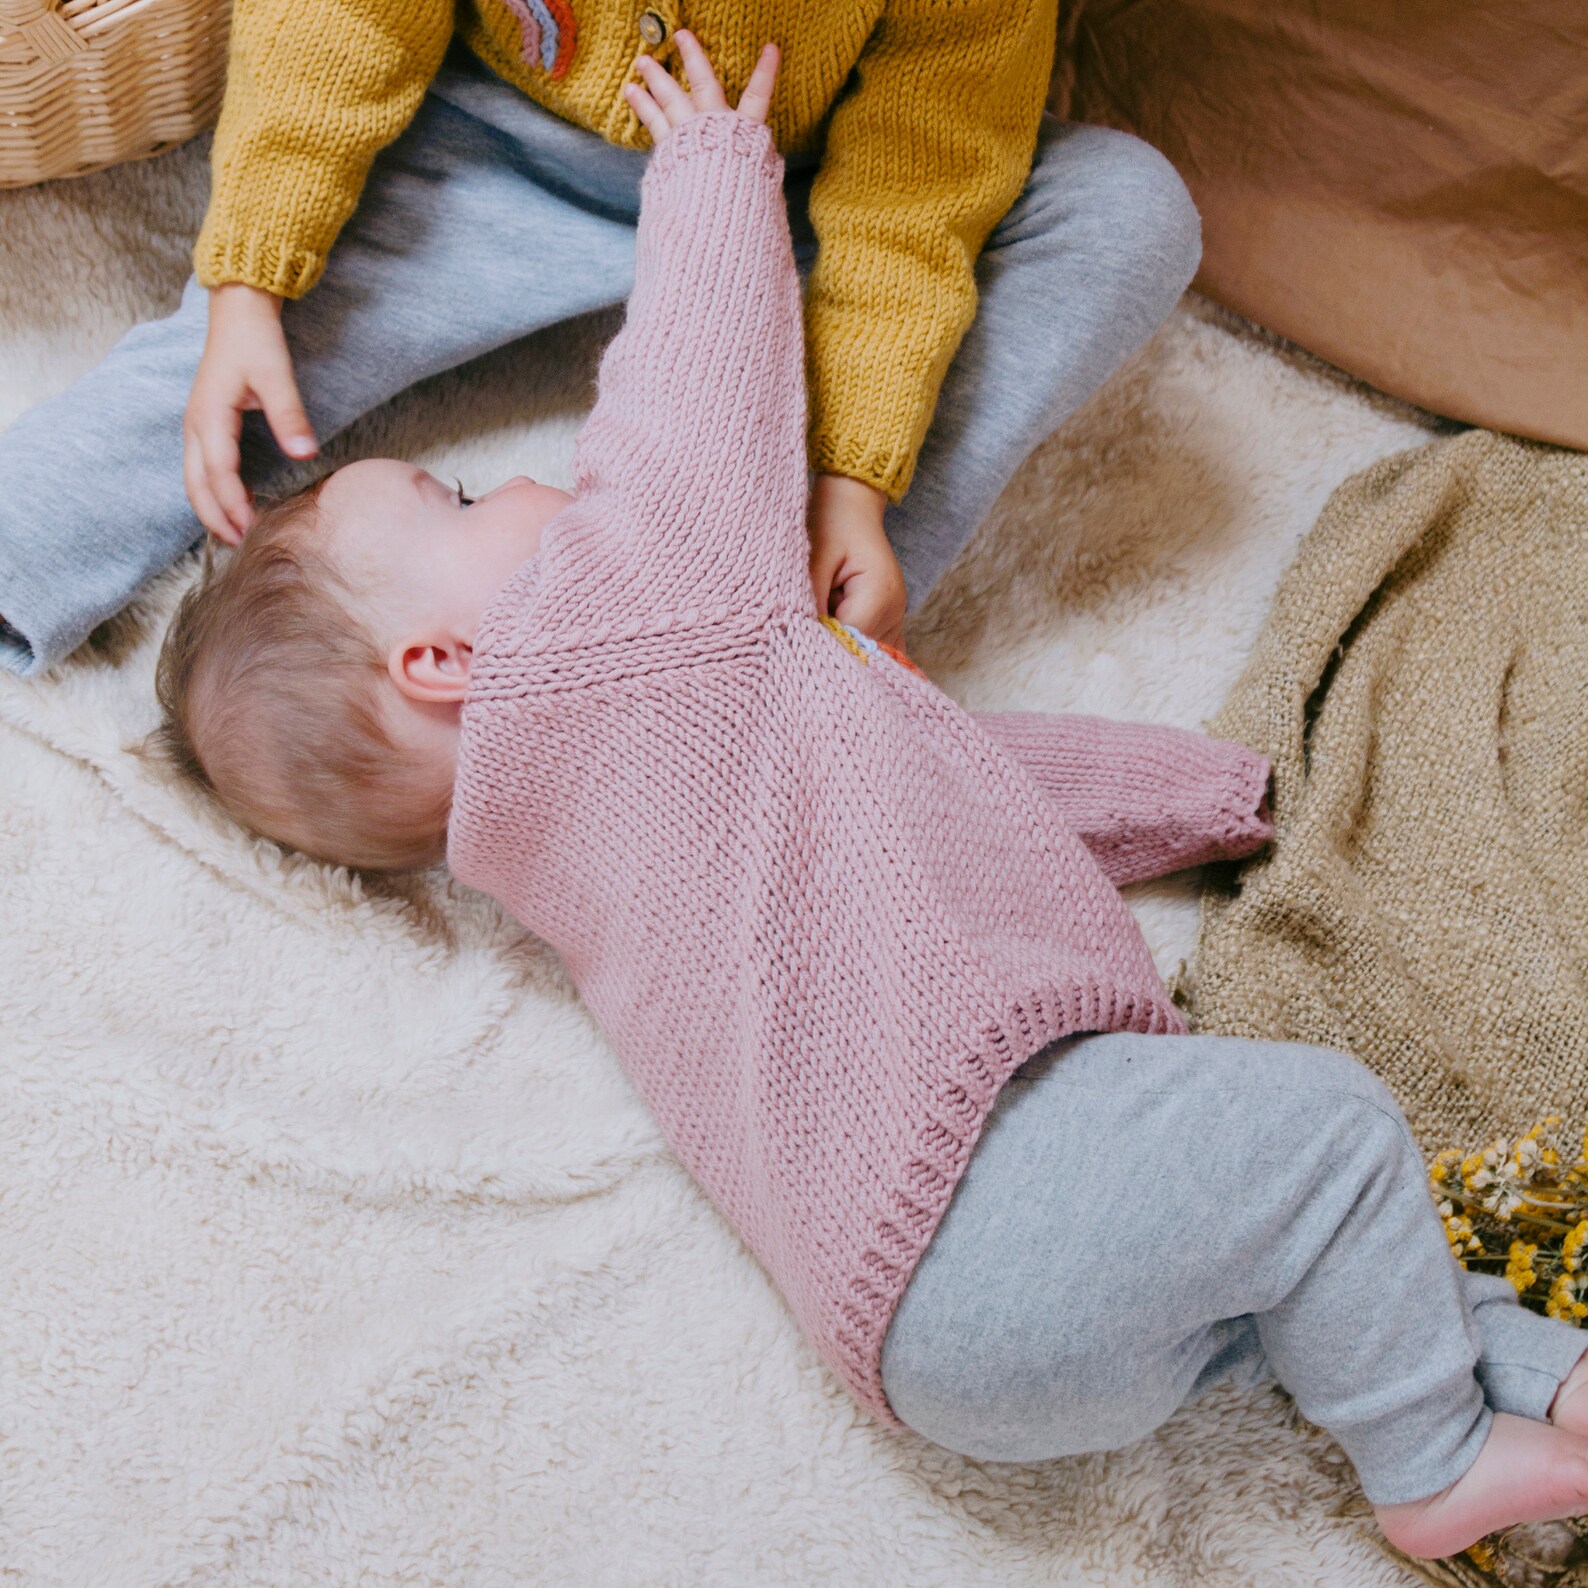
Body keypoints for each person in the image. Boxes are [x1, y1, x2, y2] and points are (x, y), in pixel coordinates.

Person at [151, 40, 1588, 1562]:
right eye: (446, 503)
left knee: (1295, 1258)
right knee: (1329, 1137)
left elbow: (958, 786)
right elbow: (692, 400)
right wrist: (713, 163)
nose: (501, 485)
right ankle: (1426, 1462)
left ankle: (1545, 1379)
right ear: (444, 661)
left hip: (933, 1338)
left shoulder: (578, 856)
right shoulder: (617, 630)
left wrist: (1215, 795)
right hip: (987, 1175)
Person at [0, 0, 1201, 677]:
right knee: (248, 367)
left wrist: (852, 475)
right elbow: (345, 19)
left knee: (1126, 213)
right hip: (494, 149)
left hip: (799, 194)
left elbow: (920, 186)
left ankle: (781, 644)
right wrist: (253, 276)